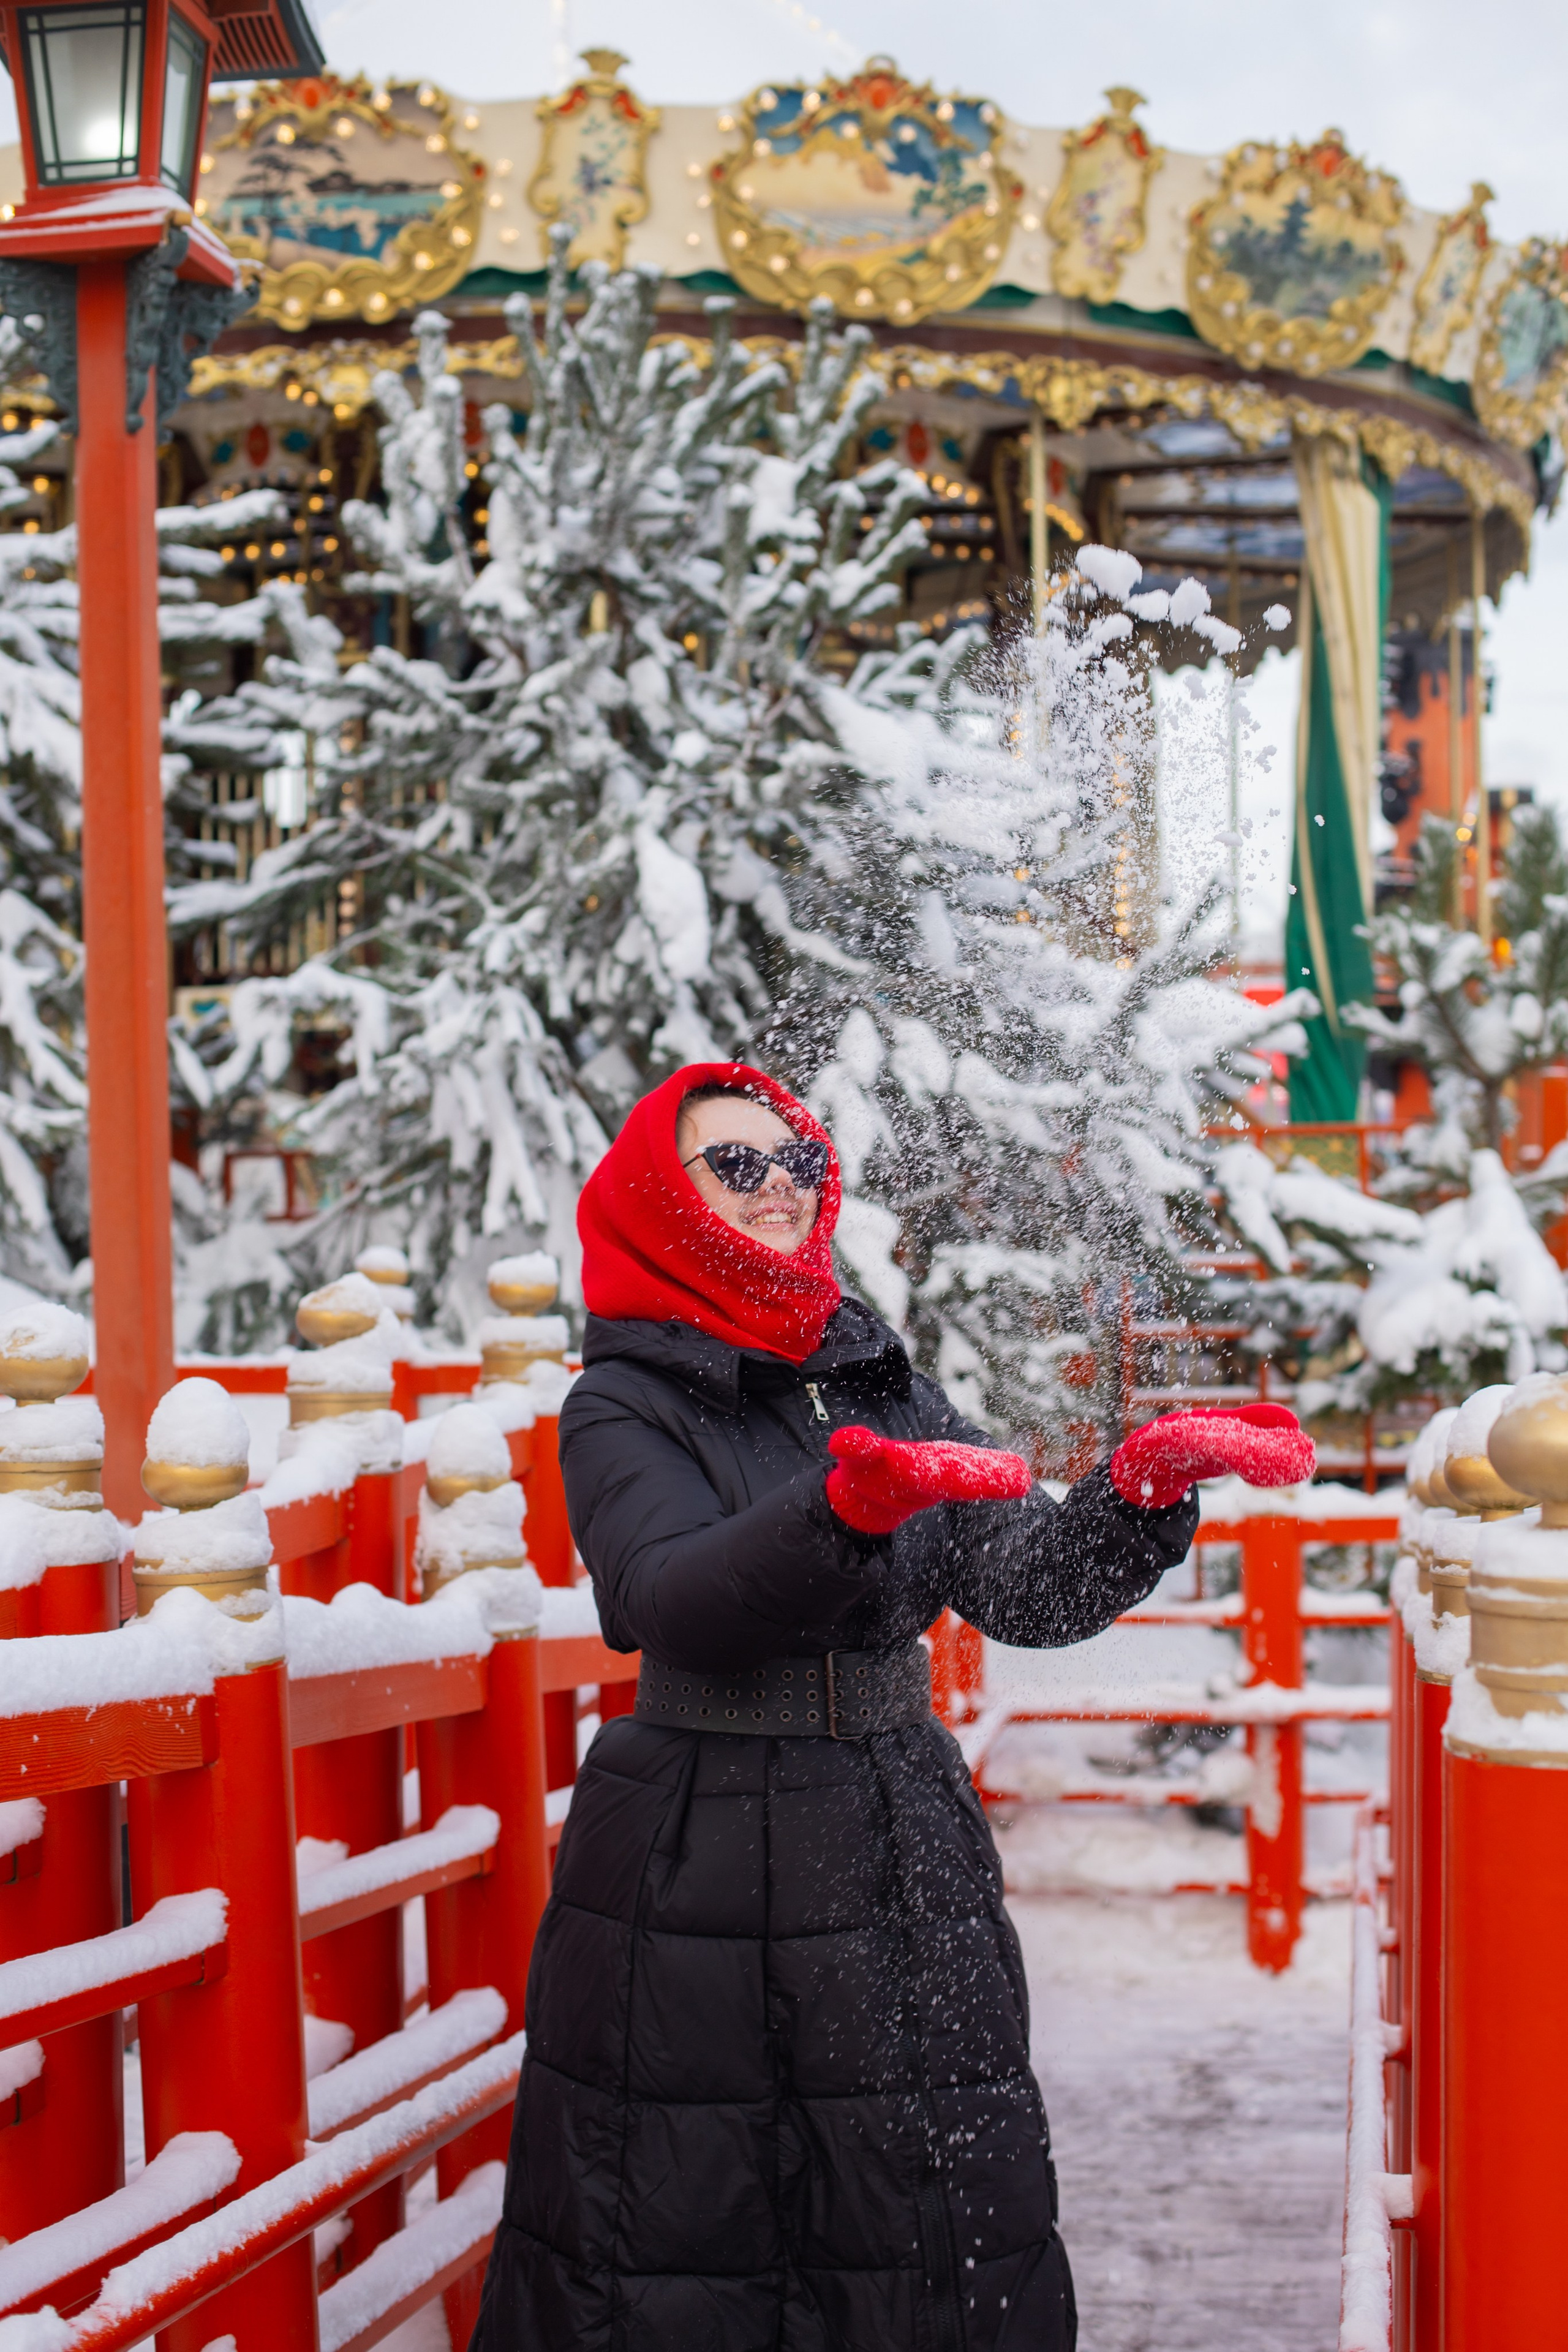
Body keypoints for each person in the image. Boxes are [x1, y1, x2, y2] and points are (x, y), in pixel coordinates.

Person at [473, 1061, 1311, 2352]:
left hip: (898, 1837)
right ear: (661, 1195)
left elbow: (1020, 1585)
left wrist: (1133, 1499)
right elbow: (667, 1597)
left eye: (798, 1162)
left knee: (926, 2223)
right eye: (735, 1165)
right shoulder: (622, 1400)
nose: (777, 1188)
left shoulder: (872, 1375)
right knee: (691, 2237)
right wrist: (838, 1513)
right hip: (698, 1855)